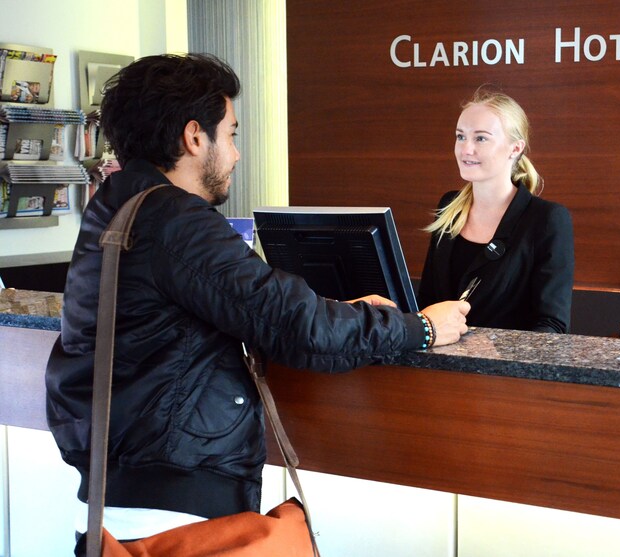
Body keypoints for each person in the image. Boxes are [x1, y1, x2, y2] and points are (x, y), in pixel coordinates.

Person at [44, 53, 469, 553]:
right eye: (232, 134)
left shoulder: (117, 207)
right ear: (194, 136)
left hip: (117, 502)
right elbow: (298, 328)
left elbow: (228, 310)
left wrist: (338, 310)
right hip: (177, 509)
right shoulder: (177, 220)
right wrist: (420, 328)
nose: (236, 154)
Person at [417, 87, 574, 333]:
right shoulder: (449, 207)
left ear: (515, 148)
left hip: (504, 370)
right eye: (460, 136)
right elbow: (427, 304)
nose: (465, 149)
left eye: (480, 138)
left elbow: (552, 326)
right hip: (441, 365)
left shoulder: (546, 219)